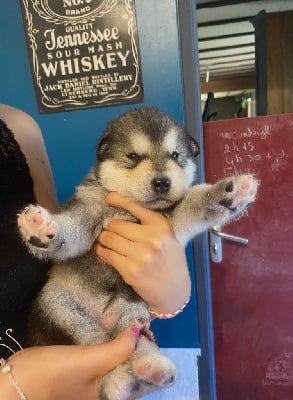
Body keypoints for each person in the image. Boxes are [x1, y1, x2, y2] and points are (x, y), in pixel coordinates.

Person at [0, 104, 191, 399]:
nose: (158, 173)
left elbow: (59, 240)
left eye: (174, 156)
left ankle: (124, 371)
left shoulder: (19, 127)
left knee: (126, 322)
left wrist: (171, 294)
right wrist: (11, 388)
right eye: (133, 157)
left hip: (80, 363)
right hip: (49, 354)